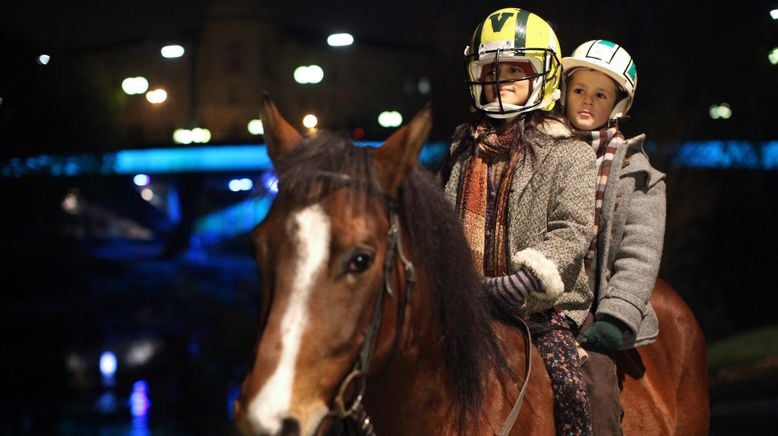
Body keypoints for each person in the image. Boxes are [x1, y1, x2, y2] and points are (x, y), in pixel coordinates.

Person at [440, 7, 596, 435]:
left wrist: (527, 278)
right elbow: (444, 224)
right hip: (468, 306)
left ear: (543, 76)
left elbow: (573, 229)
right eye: (491, 71)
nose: (500, 81)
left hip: (542, 310)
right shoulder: (462, 150)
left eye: (514, 70)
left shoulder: (570, 152)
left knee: (572, 389)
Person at [561, 39, 666, 434]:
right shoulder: (540, 148)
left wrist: (615, 318)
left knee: (598, 392)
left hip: (593, 304)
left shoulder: (636, 173)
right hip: (534, 294)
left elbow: (639, 252)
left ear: (618, 105)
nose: (587, 101)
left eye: (600, 94)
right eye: (579, 90)